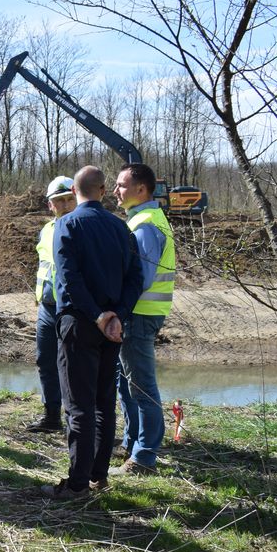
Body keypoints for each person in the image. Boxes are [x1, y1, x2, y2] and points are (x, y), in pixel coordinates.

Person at [43, 165, 143, 499]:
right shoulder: (120, 227)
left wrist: (99, 315)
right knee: (103, 402)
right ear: (102, 190)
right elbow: (136, 279)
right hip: (111, 327)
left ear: (74, 191)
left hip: (79, 323)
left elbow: (69, 278)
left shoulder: (66, 224)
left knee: (78, 406)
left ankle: (77, 484)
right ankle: (99, 476)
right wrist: (117, 316)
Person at [111, 162, 176, 476]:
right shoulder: (144, 218)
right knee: (127, 383)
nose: (116, 191)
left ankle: (144, 458)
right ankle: (132, 444)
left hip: (139, 315)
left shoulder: (146, 224)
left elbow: (142, 278)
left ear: (141, 189)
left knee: (142, 388)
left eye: (122, 185)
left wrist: (118, 309)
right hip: (141, 314)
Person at [26, 176, 77, 433]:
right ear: (50, 205)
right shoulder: (46, 230)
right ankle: (51, 416)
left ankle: (74, 419)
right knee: (45, 361)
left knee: (71, 366)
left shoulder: (82, 228)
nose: (65, 204)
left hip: (72, 310)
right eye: (59, 201)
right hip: (46, 308)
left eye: (70, 199)